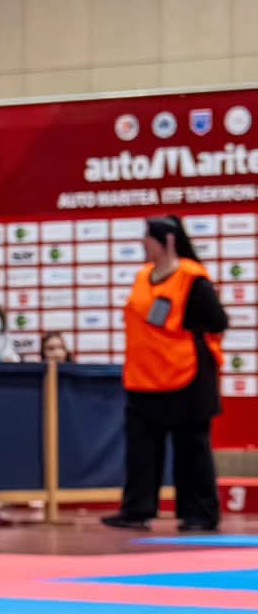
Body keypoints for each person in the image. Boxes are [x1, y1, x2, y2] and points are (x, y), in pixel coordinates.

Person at [104, 215, 227, 533]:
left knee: (191, 449)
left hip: (186, 377)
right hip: (144, 377)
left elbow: (218, 321)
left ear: (168, 241)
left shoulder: (192, 278)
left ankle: (200, 514)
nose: (143, 242)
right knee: (141, 451)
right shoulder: (142, 276)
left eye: (148, 237)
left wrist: (182, 327)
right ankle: (136, 510)